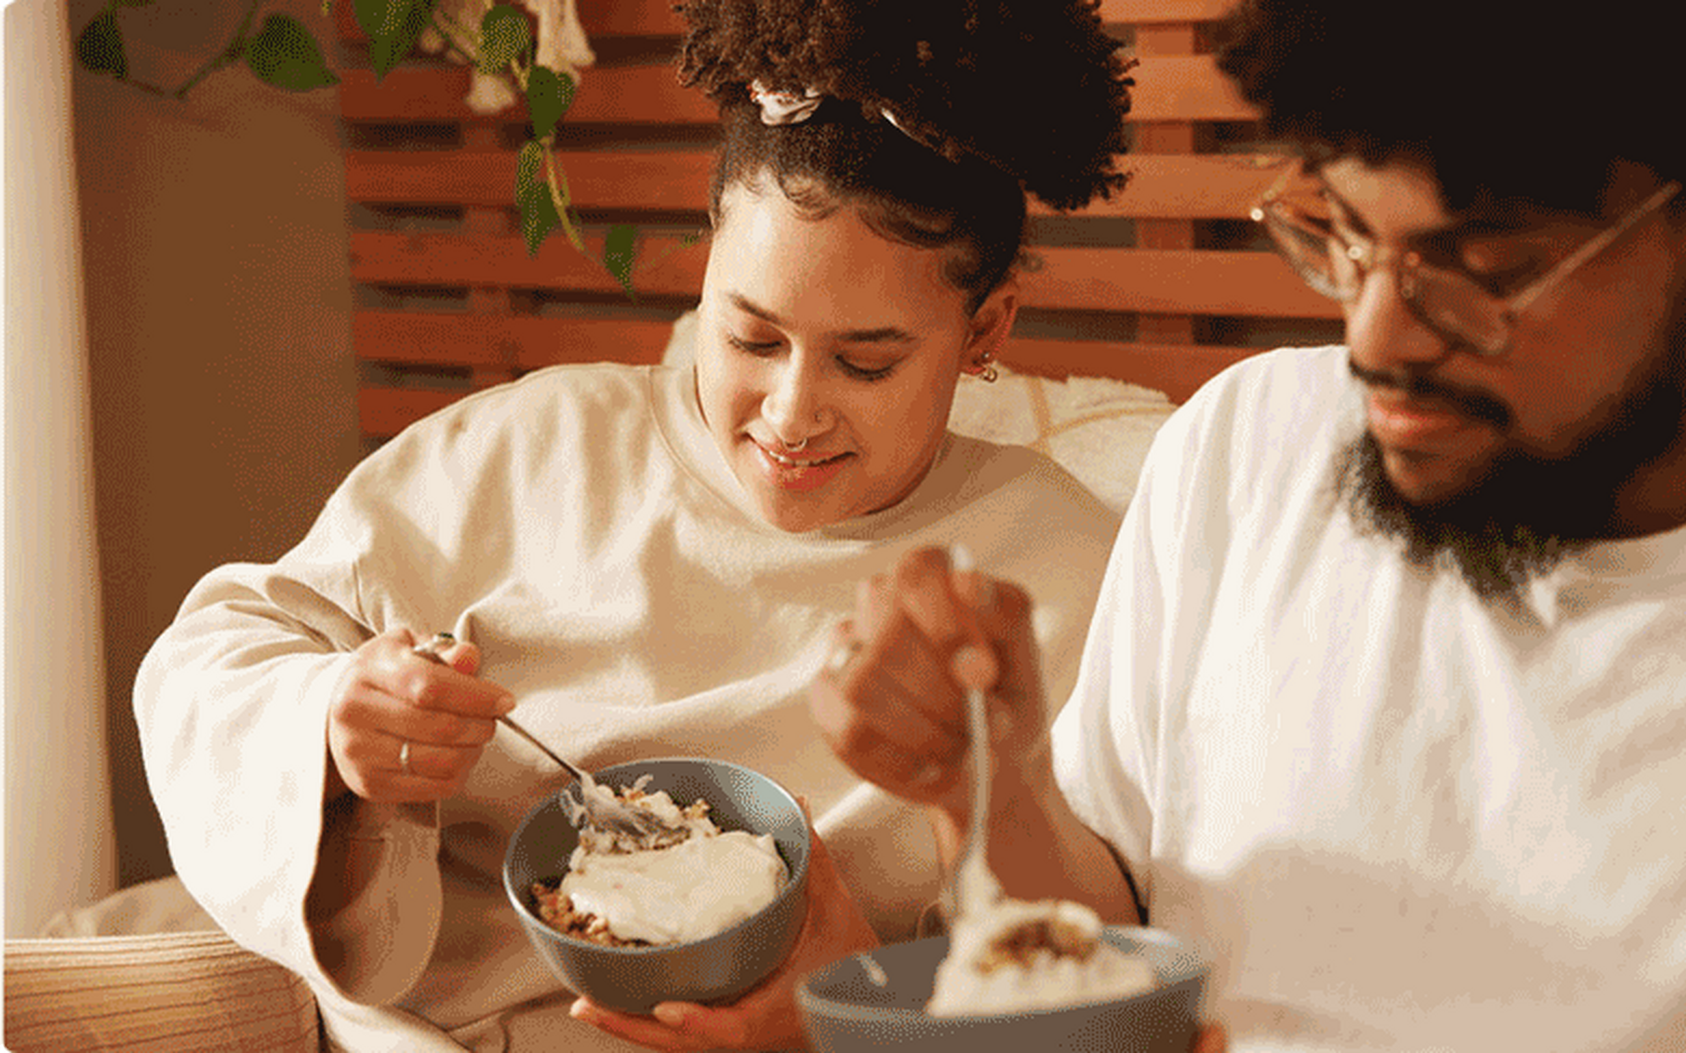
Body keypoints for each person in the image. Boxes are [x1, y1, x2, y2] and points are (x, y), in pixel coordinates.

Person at [811, 2, 1686, 1051]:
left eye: (1478, 264)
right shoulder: (1247, 448)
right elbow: (1101, 944)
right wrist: (988, 788)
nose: (1374, 341)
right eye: (1343, 234)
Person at [131, 1, 1135, 1049]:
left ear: (985, 328)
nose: (789, 414)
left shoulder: (1059, 575)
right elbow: (212, 656)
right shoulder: (530, 451)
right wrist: (337, 720)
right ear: (707, 254)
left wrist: (847, 1014)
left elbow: (1114, 977)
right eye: (748, 335)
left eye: (865, 361)